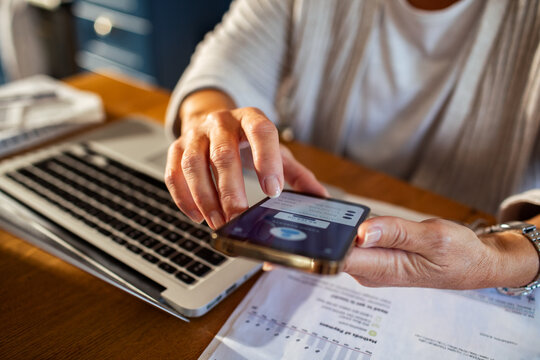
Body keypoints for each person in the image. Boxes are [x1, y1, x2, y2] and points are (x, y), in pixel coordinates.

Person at [163, 0, 540, 293]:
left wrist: (500, 259)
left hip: (486, 244)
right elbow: (225, 63)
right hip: (323, 213)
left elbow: (508, 255)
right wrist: (210, 122)